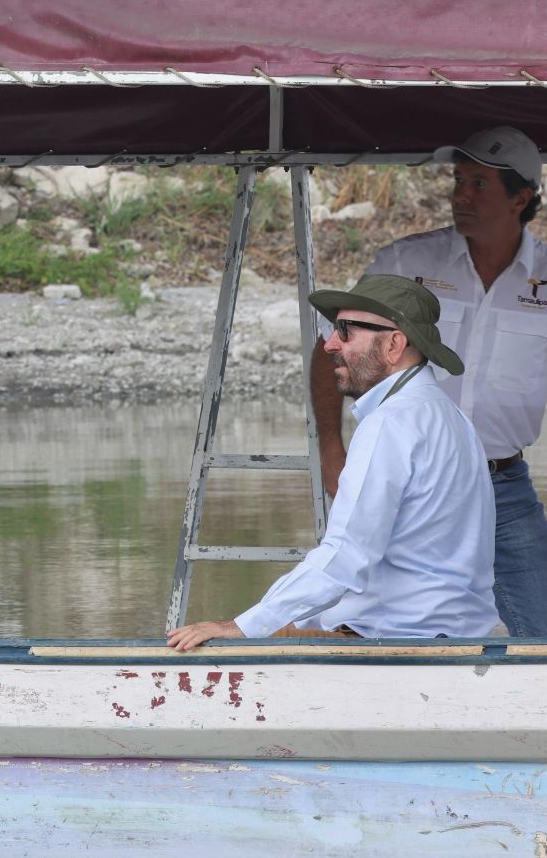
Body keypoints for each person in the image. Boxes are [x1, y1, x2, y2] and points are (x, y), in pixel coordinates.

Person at [311, 127, 547, 638]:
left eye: (478, 184)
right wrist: (330, 443)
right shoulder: (405, 263)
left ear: (521, 197)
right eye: (459, 180)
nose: (460, 195)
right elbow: (331, 346)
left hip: (504, 488)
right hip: (410, 488)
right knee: (363, 633)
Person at [170, 276, 496, 651]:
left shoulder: (391, 423)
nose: (329, 344)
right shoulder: (447, 414)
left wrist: (243, 626)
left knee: (226, 641)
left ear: (394, 344)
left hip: (397, 637)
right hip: (452, 630)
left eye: (346, 330)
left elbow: (346, 555)